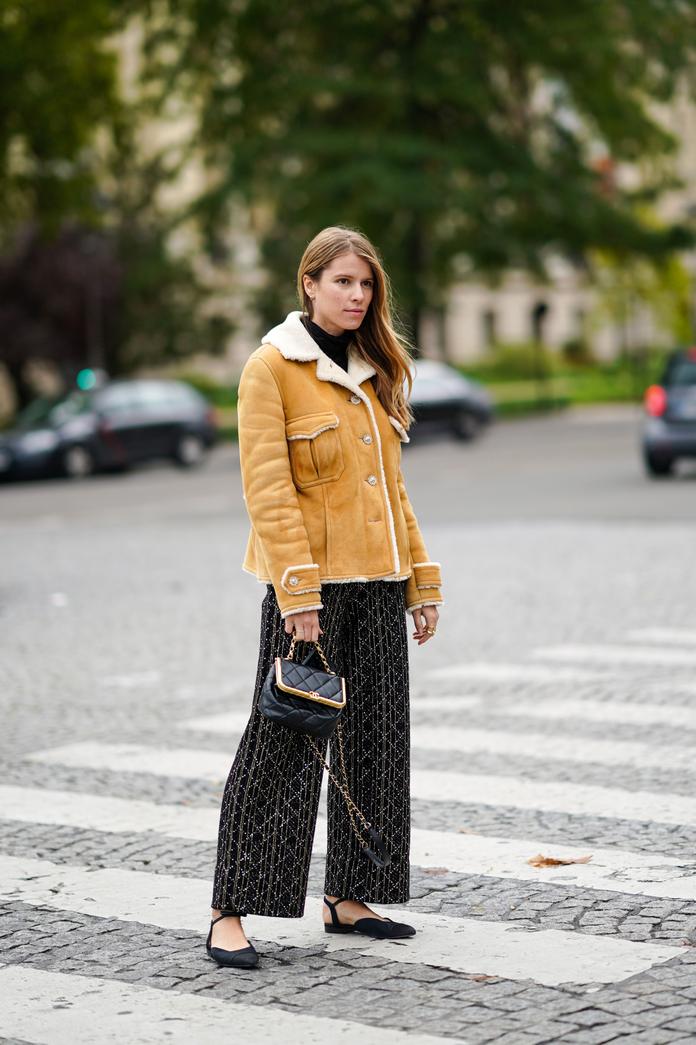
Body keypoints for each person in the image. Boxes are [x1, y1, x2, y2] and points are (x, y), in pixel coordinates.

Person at [206, 225, 443, 968]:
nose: (356, 295)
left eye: (366, 284)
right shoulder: (271, 368)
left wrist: (420, 582)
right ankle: (228, 909)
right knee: (281, 743)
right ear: (308, 282)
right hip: (307, 588)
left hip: (377, 585)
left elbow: (394, 492)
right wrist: (297, 592)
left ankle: (350, 895)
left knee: (376, 744)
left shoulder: (373, 370)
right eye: (343, 281)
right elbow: (268, 491)